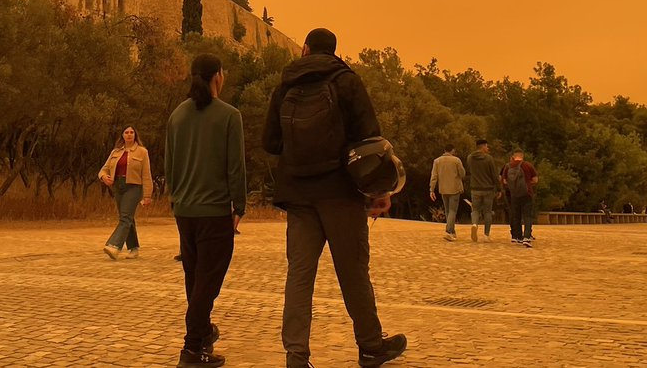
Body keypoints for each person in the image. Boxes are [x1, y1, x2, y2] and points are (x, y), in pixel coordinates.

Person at [263, 28, 407, 368]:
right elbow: (370, 140)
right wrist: (379, 191)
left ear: (305, 49)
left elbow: (270, 142)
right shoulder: (347, 81)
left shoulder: (286, 85)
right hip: (341, 193)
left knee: (299, 275)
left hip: (299, 195)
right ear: (333, 51)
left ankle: (296, 355)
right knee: (353, 271)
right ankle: (371, 346)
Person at [165, 53, 247, 367]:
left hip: (184, 211)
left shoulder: (177, 116)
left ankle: (203, 335)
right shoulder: (229, 115)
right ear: (217, 77)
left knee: (195, 279)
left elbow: (170, 167)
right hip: (214, 211)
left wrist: (176, 200)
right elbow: (235, 168)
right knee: (208, 283)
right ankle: (191, 347)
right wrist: (238, 206)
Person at [97, 126, 153, 259]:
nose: (129, 135)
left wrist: (147, 195)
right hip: (118, 187)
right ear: (122, 135)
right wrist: (104, 177)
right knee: (127, 217)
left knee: (125, 218)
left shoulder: (142, 152)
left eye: (132, 132)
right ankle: (134, 248)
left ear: (135, 135)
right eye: (126, 132)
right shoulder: (115, 152)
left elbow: (146, 174)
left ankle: (114, 246)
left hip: (133, 187)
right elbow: (103, 170)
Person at [430, 143, 467, 242]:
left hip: (443, 189)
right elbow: (463, 174)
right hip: (455, 188)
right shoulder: (456, 160)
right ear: (452, 150)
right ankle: (449, 231)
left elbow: (434, 177)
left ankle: (452, 231)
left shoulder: (437, 161)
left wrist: (431, 190)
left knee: (448, 211)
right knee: (452, 211)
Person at [466, 139, 501, 241]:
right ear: (483, 147)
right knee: (487, 212)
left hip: (475, 188)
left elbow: (470, 171)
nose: (488, 148)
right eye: (487, 146)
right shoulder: (489, 159)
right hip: (488, 189)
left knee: (475, 210)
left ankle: (474, 224)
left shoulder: (470, 158)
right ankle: (486, 235)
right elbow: (494, 175)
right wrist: (498, 188)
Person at [502, 150, 538, 247]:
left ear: (513, 157)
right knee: (527, 216)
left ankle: (517, 237)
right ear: (522, 157)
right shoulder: (528, 165)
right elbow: (535, 180)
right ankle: (526, 237)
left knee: (516, 216)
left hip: (514, 195)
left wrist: (512, 186)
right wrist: (528, 184)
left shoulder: (508, 166)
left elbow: (504, 181)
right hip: (527, 194)